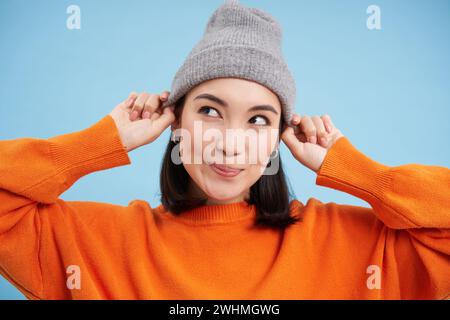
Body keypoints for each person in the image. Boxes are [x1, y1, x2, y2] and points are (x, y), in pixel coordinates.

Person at [0, 0, 449, 300]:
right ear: (175, 121)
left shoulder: (355, 244)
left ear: (278, 138)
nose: (231, 143)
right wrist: (98, 142)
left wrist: (361, 173)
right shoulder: (99, 242)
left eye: (258, 120)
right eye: (210, 112)